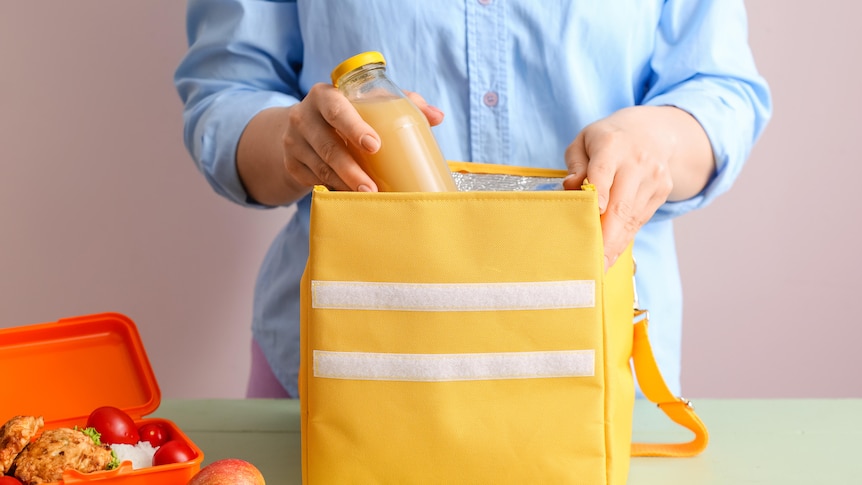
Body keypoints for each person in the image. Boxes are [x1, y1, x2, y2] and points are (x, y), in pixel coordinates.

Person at [175, 0, 772, 399]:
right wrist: (293, 142)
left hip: (589, 356)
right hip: (348, 366)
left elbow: (722, 88)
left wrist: (654, 139)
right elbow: (227, 94)